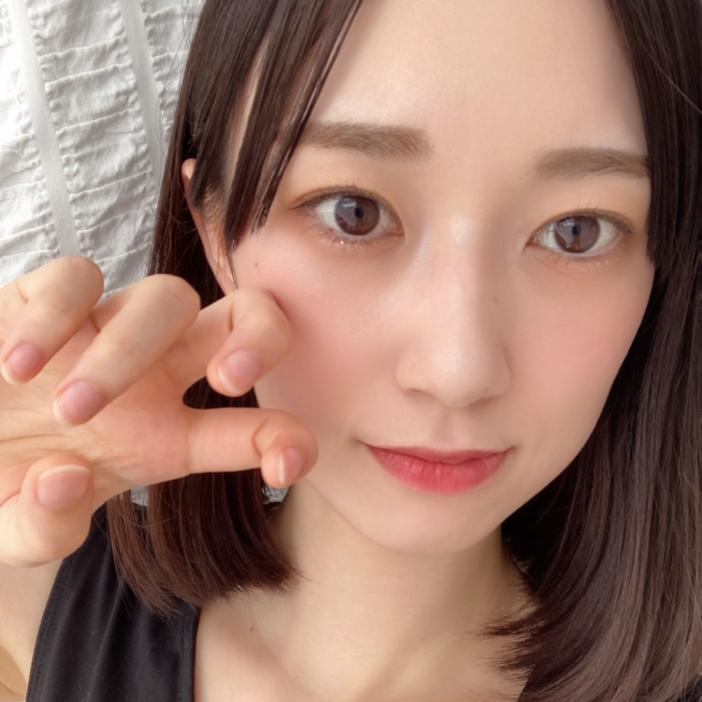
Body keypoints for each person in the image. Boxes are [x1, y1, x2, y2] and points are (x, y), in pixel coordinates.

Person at [0, 0, 699, 700]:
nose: (457, 370)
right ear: (216, 231)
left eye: (577, 231)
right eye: (354, 214)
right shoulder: (42, 595)